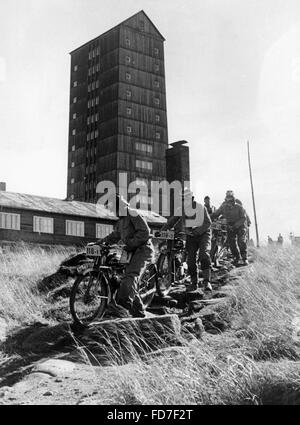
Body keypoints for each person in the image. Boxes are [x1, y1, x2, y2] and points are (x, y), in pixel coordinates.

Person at [98, 193, 154, 318]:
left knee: (130, 276)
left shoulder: (133, 213)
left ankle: (122, 307)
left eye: (113, 208)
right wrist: (99, 243)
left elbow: (145, 232)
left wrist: (131, 244)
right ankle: (139, 313)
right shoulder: (121, 221)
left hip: (143, 249)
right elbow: (114, 236)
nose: (112, 211)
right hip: (129, 251)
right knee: (123, 278)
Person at [163, 188, 212, 293]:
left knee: (204, 254)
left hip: (203, 234)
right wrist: (162, 231)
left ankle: (207, 282)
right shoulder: (181, 209)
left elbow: (208, 223)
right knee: (190, 260)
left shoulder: (200, 207)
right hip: (191, 236)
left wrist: (197, 231)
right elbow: (172, 221)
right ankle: (194, 283)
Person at [211, 191, 248, 266]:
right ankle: (236, 258)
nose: (229, 201)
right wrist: (207, 216)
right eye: (227, 198)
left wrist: (235, 225)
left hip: (240, 225)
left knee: (241, 241)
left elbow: (244, 218)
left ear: (233, 199)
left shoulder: (239, 207)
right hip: (230, 226)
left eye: (230, 199)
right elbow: (216, 213)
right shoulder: (223, 206)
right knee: (231, 243)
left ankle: (244, 259)